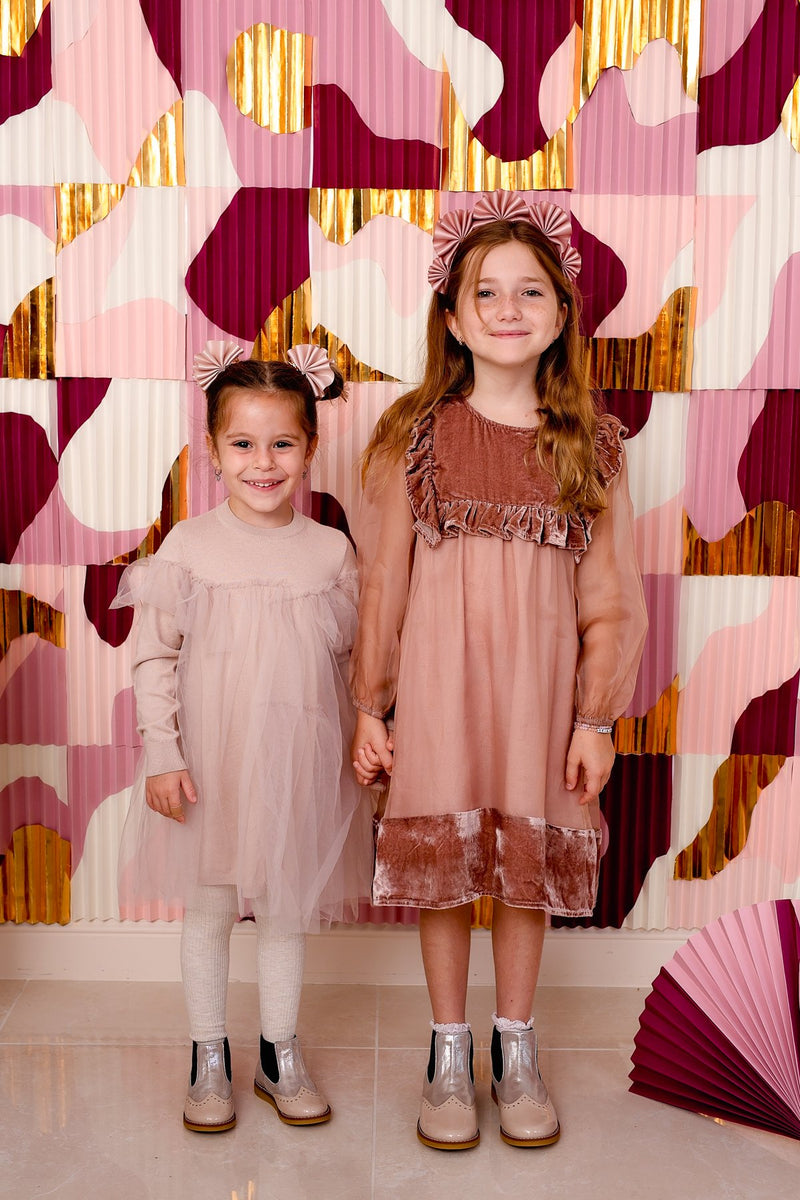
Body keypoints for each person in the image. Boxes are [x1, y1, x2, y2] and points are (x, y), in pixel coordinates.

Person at [349, 191, 648, 1150]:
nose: (508, 308)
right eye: (486, 291)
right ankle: (448, 1051)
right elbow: (384, 584)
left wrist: (595, 719)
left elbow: (610, 597)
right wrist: (371, 705)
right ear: (451, 316)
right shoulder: (413, 437)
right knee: (445, 872)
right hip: (438, 697)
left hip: (540, 703)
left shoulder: (591, 447)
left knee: (525, 872)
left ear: (560, 316)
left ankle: (514, 1045)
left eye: (530, 291)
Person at [113, 341, 371, 1133]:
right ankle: (207, 1055)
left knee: (286, 910)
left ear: (311, 448)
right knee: (210, 908)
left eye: (282, 443)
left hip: (298, 765)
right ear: (213, 450)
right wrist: (164, 756)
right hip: (210, 766)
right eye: (244, 444)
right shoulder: (190, 545)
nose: (264, 463)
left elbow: (354, 666)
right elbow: (154, 658)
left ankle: (278, 1052)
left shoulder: (329, 552)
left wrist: (364, 740)